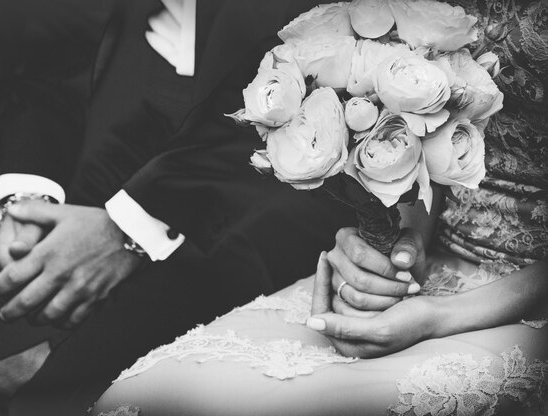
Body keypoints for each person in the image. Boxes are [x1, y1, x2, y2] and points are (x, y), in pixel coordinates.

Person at [0, 0, 380, 415]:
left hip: (244, 221)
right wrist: (25, 201)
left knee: (56, 394)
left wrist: (127, 230)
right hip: (75, 189)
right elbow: (55, 71)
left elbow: (300, 121)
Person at [90, 1, 548, 415]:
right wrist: (402, 241)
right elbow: (433, 126)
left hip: (525, 295)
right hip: (440, 253)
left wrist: (437, 319)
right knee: (151, 393)